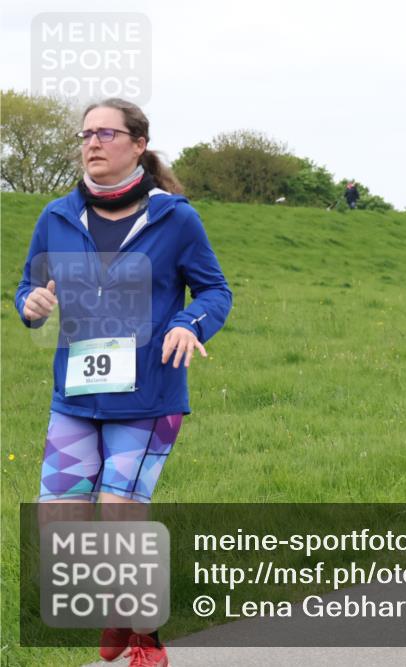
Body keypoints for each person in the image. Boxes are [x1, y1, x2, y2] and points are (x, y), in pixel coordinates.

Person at [15, 98, 232, 666]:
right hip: (76, 397)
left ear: (138, 145)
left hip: (149, 397)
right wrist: (30, 303)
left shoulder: (173, 218)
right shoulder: (57, 216)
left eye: (107, 133)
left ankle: (146, 638)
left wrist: (189, 322)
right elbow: (28, 285)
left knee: (118, 515)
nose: (92, 142)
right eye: (86, 134)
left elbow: (215, 291)